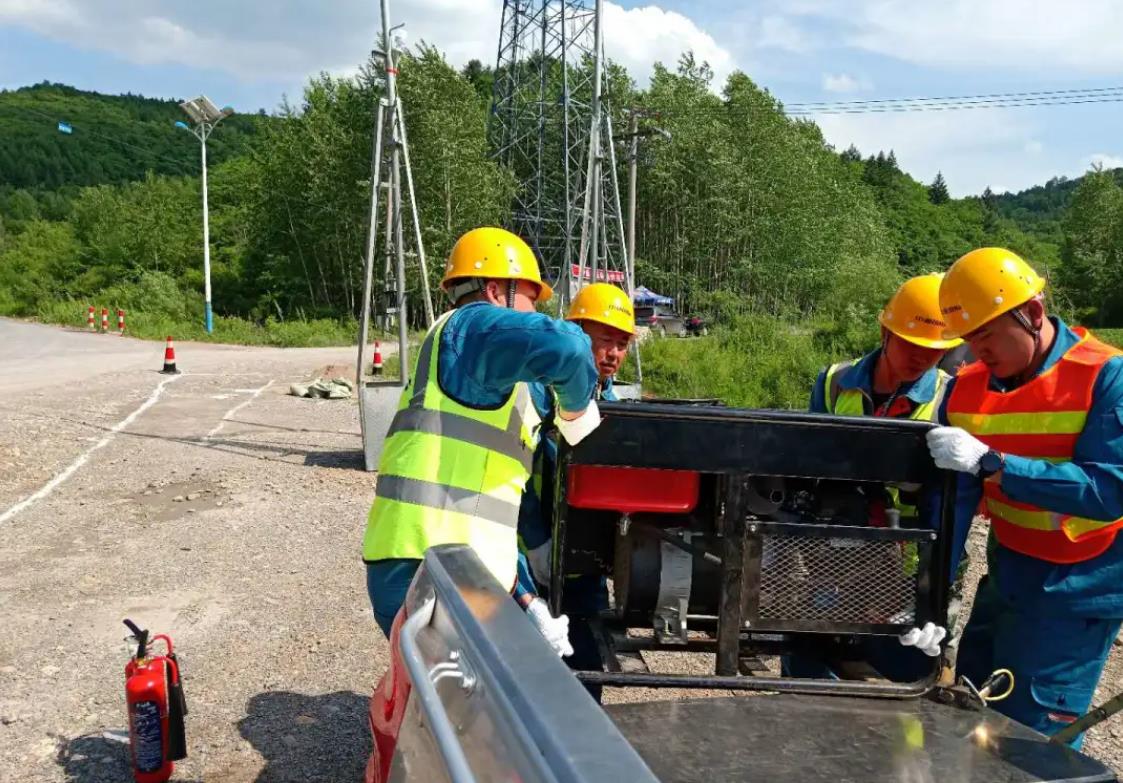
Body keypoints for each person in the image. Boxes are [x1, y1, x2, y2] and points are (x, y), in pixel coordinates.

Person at [361, 226, 599, 657]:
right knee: (468, 714)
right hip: (432, 572)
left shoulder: (477, 364)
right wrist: (575, 410)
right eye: (530, 300)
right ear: (495, 291)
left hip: (440, 565)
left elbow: (481, 507)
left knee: (454, 709)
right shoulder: (471, 330)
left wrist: (525, 597)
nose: (534, 312)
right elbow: (567, 347)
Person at [926, 247, 1123, 748]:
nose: (975, 351)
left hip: (1078, 584)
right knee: (969, 706)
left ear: (1032, 314)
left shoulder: (1105, 376)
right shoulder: (965, 390)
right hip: (1010, 570)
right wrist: (927, 596)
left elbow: (1109, 490)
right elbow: (955, 499)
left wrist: (997, 464)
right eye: (968, 339)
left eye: (987, 335)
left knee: (1026, 739)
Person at [786, 274, 963, 679]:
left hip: (915, 550)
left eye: (933, 350)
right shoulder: (834, 382)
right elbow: (807, 463)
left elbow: (952, 496)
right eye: (910, 343)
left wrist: (932, 584)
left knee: (916, 664)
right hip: (836, 545)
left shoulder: (948, 396)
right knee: (815, 642)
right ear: (885, 331)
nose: (920, 357)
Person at [519, 283, 636, 695]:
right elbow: (516, 474)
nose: (614, 354)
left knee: (586, 669)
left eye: (622, 344)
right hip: (530, 561)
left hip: (582, 567)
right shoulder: (539, 390)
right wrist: (534, 543)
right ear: (576, 332)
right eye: (606, 340)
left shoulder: (612, 401)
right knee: (523, 666)